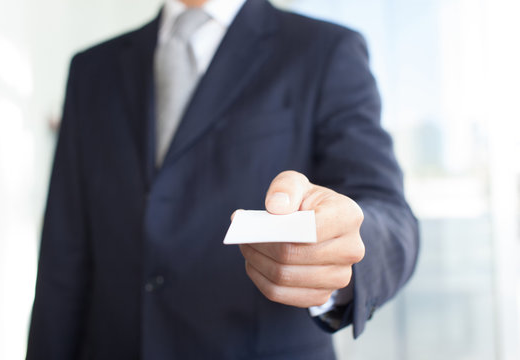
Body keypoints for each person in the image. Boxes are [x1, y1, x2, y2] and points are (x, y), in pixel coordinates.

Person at [27, 0, 419, 359]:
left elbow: (390, 215)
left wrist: (341, 249)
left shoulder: (324, 50)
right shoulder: (92, 70)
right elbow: (64, 257)